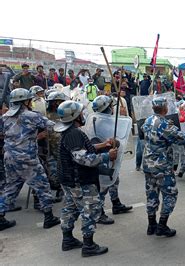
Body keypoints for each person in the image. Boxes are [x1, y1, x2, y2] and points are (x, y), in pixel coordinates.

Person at [54, 100, 117, 257]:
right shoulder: (74, 133)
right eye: (81, 113)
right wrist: (106, 156)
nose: (83, 115)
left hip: (68, 180)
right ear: (75, 116)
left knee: (71, 208)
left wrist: (102, 145)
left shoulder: (68, 133)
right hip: (79, 181)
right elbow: (83, 158)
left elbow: (81, 150)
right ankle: (88, 246)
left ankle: (67, 240)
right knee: (90, 209)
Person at [0, 88, 60, 231]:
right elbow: (53, 126)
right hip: (26, 158)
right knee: (42, 185)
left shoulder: (4, 117)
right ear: (25, 101)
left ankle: (0, 217)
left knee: (11, 187)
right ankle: (49, 217)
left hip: (9, 157)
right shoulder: (31, 116)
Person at [142, 97, 185, 237]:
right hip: (161, 166)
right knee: (170, 194)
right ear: (165, 108)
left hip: (148, 163)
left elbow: (152, 131)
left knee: (151, 194)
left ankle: (151, 224)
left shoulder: (148, 120)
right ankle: (162, 225)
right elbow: (182, 138)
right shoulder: (164, 124)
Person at [91, 95, 133, 225]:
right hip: (105, 157)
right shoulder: (104, 124)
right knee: (104, 185)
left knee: (114, 180)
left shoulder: (100, 121)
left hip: (109, 157)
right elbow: (115, 142)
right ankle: (99, 213)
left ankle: (116, 203)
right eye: (110, 106)